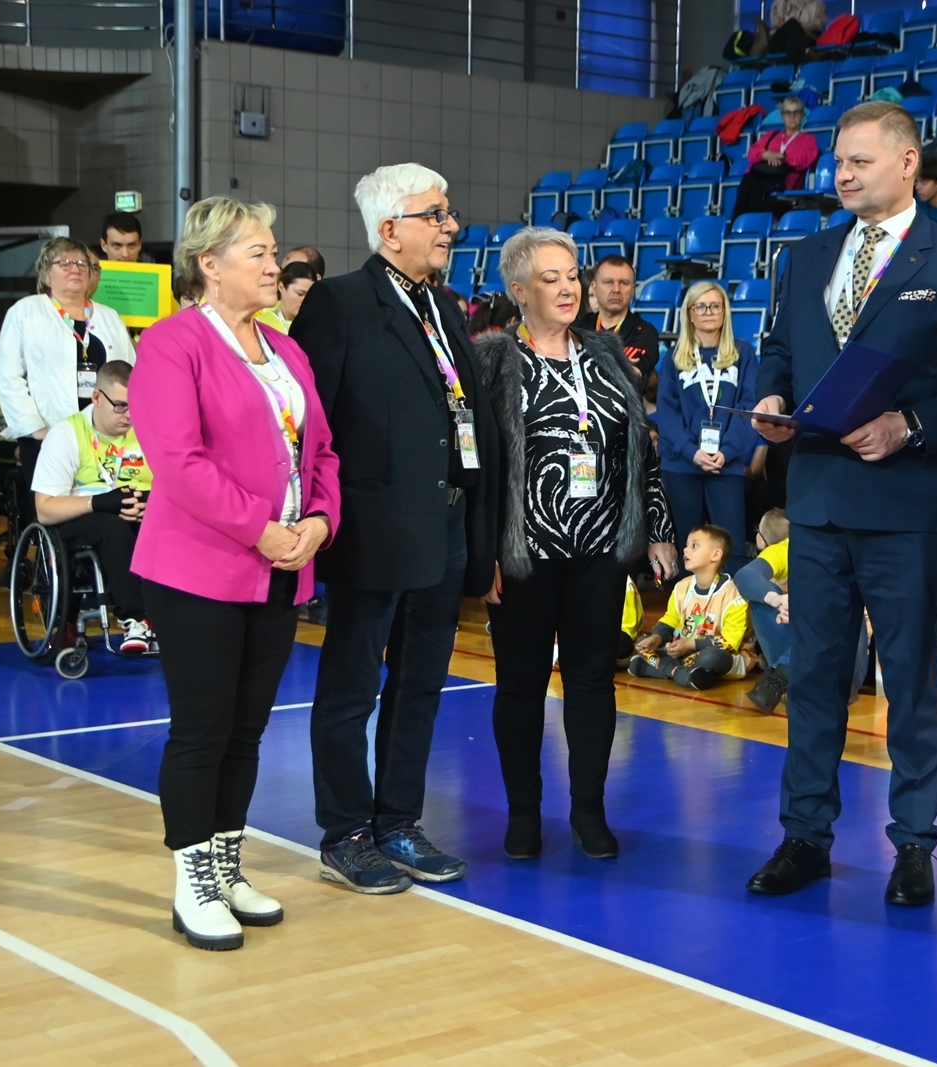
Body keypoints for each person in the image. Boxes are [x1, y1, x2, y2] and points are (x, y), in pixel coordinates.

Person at [748, 101, 937, 907]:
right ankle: (805, 835)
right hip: (819, 499)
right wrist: (772, 395)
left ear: (907, 162)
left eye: (859, 161)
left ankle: (915, 842)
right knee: (814, 677)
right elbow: (779, 348)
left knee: (910, 683)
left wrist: (909, 425)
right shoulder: (807, 254)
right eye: (838, 162)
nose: (843, 174)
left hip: (905, 505)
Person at [131, 197, 340, 951]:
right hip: (199, 569)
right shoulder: (171, 344)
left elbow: (321, 451)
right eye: (258, 252)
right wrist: (262, 527)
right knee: (203, 730)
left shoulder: (285, 349)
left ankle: (225, 865)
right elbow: (178, 462)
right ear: (209, 264)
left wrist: (318, 522)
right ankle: (192, 879)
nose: (275, 264)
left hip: (281, 565)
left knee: (247, 729)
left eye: (273, 251)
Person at [290, 162, 495, 895]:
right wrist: (318, 516)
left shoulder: (444, 306)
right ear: (389, 229)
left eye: (447, 212)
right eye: (434, 214)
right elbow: (313, 426)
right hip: (371, 530)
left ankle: (399, 819)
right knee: (351, 689)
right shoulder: (339, 302)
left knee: (420, 686)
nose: (450, 226)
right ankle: (345, 831)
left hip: (443, 528)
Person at [472, 227, 676, 862]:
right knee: (521, 685)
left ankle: (589, 810)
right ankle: (523, 813)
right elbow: (475, 466)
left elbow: (642, 452)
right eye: (550, 278)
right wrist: (483, 552)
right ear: (518, 290)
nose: (567, 289)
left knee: (592, 682)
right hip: (523, 555)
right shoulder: (492, 360)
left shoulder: (610, 355)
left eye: (571, 276)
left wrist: (658, 529)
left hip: (600, 552)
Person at [0, 237, 135, 527]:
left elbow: (129, 374)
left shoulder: (109, 317)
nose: (75, 268)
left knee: (105, 508)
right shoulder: (26, 312)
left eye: (82, 263)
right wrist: (35, 429)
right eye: (65, 263)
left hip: (103, 435)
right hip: (47, 432)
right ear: (47, 273)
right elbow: (8, 376)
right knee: (54, 512)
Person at [30, 359, 155, 652]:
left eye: (136, 405)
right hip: (84, 514)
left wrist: (150, 502)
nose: (129, 415)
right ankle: (135, 619)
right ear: (96, 397)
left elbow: (175, 482)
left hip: (140, 511)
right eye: (120, 406)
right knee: (113, 527)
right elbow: (44, 509)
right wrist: (98, 502)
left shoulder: (149, 431)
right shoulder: (67, 434)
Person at [655, 280, 758, 575]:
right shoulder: (674, 358)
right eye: (700, 306)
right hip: (682, 465)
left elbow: (749, 407)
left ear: (725, 311)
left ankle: (733, 602)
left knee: (732, 547)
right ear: (689, 313)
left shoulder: (743, 353)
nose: (709, 312)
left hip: (726, 463)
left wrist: (727, 451)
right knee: (689, 548)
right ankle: (689, 603)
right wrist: (691, 451)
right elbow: (668, 413)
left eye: (715, 305)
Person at [629, 524, 752, 690]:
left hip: (722, 655)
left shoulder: (734, 595)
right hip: (683, 653)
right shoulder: (682, 586)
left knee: (712, 657)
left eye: (694, 546)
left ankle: (666, 669)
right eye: (687, 545)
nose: (685, 550)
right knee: (643, 643)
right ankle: (684, 673)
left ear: (716, 554)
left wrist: (690, 644)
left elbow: (728, 643)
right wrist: (656, 638)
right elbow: (670, 620)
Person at [576, 254, 661, 388]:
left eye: (624, 283)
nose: (616, 290)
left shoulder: (644, 333)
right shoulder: (577, 328)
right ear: (594, 287)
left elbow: (629, 377)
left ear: (633, 290)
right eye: (608, 282)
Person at [737, 508, 792, 711]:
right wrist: (778, 600)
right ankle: (784, 676)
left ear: (761, 540)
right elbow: (745, 576)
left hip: (838, 657)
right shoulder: (785, 549)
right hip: (795, 644)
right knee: (760, 597)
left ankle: (781, 675)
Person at [733, 97, 820, 219]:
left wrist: (782, 157)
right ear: (782, 117)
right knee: (746, 184)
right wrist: (766, 154)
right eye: (788, 113)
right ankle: (736, 224)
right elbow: (752, 153)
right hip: (760, 172)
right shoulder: (771, 135)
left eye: (796, 112)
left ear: (802, 116)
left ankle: (752, 225)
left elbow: (805, 160)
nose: (792, 116)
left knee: (761, 188)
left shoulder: (809, 140)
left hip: (782, 178)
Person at [255, 261, 316, 334]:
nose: (305, 300)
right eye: (300, 294)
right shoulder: (261, 323)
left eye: (310, 295)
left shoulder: (317, 325)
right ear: (281, 287)